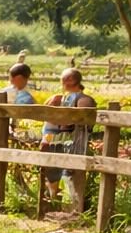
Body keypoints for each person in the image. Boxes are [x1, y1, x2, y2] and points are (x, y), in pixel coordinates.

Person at [39, 68, 96, 206]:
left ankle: (72, 205)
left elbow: (84, 122)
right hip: (58, 142)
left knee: (69, 174)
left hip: (72, 143)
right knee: (55, 173)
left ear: (69, 81)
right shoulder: (61, 98)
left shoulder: (83, 100)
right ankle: (57, 202)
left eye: (63, 79)